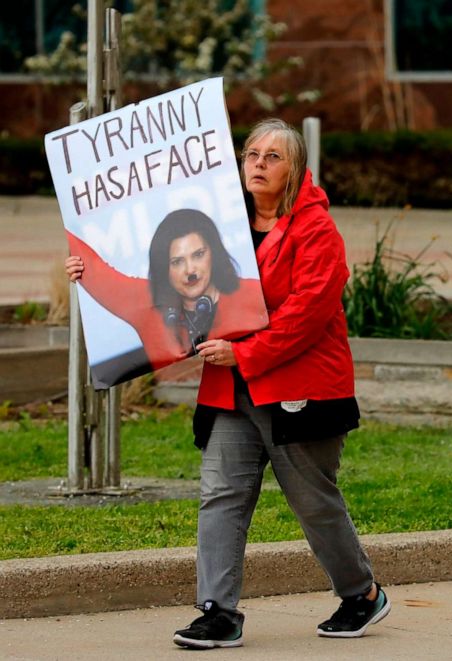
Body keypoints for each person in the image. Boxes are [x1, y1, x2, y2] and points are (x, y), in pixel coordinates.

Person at [169, 117, 388, 649]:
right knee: (220, 494)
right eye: (251, 154)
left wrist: (243, 354)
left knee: (313, 501)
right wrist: (89, 273)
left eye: (273, 156)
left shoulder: (317, 231)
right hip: (230, 390)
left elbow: (306, 315)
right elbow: (164, 277)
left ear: (296, 168)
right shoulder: (221, 227)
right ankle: (218, 612)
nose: (258, 164)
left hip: (300, 387)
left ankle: (361, 594)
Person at [65, 208, 268, 383]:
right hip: (208, 411)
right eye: (177, 262)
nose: (190, 270)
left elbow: (289, 329)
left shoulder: (251, 293)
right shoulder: (148, 302)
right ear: (164, 268)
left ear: (214, 253)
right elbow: (98, 274)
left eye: (198, 255)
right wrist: (78, 266)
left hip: (255, 392)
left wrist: (240, 354)